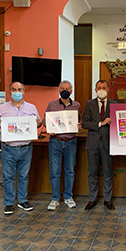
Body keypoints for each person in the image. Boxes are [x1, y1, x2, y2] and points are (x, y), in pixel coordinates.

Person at [0, 82, 42, 215]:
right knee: (8, 177)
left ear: (23, 91)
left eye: (19, 90)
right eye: (14, 90)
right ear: (9, 91)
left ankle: (23, 200)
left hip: (26, 147)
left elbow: (39, 122)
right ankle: (9, 203)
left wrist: (38, 123)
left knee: (23, 176)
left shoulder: (31, 107)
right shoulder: (2, 108)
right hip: (8, 148)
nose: (16, 92)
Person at [44, 80, 82, 210]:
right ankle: (55, 198)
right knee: (54, 171)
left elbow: (80, 121)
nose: (65, 90)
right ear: (59, 90)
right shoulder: (52, 104)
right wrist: (49, 127)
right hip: (55, 141)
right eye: (62, 88)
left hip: (70, 141)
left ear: (71, 91)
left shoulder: (76, 105)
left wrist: (79, 125)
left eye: (67, 88)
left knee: (70, 171)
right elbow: (45, 121)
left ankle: (68, 196)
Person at [82, 80, 117, 210]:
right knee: (93, 173)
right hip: (92, 143)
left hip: (108, 143)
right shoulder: (89, 104)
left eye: (104, 87)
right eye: (99, 88)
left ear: (108, 89)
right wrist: (100, 124)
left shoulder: (114, 104)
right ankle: (92, 199)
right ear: (95, 89)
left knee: (108, 173)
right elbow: (85, 123)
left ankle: (107, 200)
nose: (101, 90)